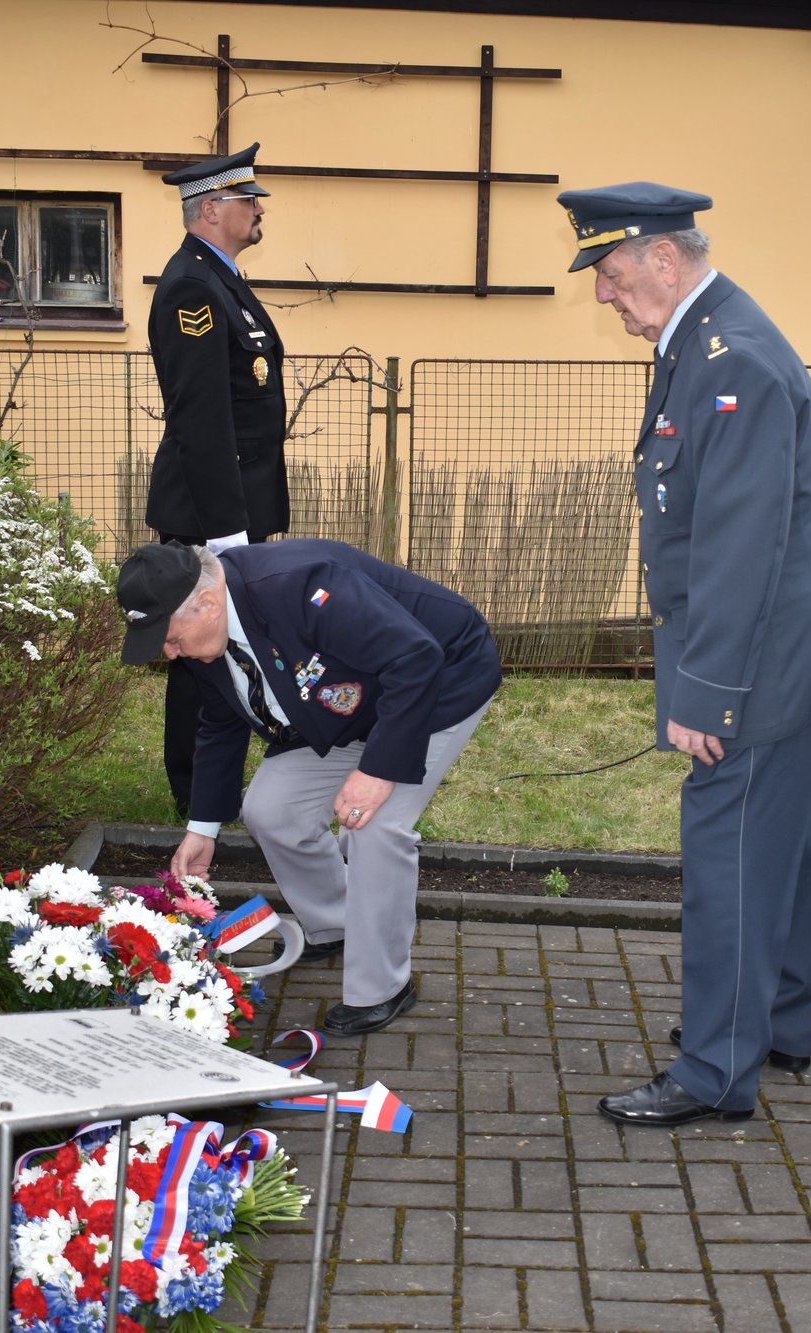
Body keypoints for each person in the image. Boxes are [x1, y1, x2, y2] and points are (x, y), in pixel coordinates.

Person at [555, 182, 811, 1127]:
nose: (603, 296)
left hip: (758, 662)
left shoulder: (736, 360)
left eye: (608, 273)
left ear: (662, 257)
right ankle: (780, 1023)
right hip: (784, 650)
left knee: (729, 854)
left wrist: (708, 694)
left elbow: (738, 548)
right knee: (783, 850)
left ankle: (716, 1072)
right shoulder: (702, 337)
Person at [118, 539, 502, 1036]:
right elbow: (221, 720)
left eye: (168, 639)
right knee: (272, 810)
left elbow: (413, 657)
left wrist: (377, 771)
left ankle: (382, 986)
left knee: (373, 824)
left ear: (207, 603)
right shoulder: (203, 625)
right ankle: (339, 923)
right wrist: (203, 827)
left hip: (438, 682)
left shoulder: (301, 585)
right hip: (352, 707)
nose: (168, 654)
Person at [144, 142, 289, 815]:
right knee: (198, 653)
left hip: (235, 508)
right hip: (210, 514)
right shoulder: (191, 290)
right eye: (247, 199)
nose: (258, 209)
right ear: (211, 209)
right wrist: (228, 531)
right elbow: (203, 421)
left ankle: (214, 785)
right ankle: (195, 790)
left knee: (218, 648)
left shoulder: (219, 277)